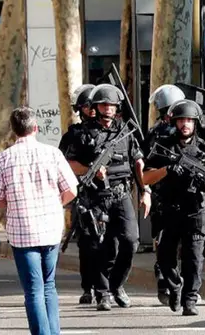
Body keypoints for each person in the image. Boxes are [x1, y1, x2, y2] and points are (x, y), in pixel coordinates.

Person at [62, 84, 151, 311]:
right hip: (94, 197)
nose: (108, 109)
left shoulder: (125, 132)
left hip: (121, 194)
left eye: (111, 105)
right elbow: (68, 164)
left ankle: (117, 285)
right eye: (103, 104)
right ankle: (102, 293)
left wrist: (145, 191)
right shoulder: (81, 134)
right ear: (95, 106)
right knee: (95, 246)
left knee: (131, 240)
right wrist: (90, 168)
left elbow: (138, 163)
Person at [0, 106, 79, 335]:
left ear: (13, 131)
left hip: (22, 231)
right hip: (50, 229)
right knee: (49, 286)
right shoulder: (53, 154)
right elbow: (71, 190)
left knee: (33, 290)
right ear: (36, 128)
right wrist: (55, 205)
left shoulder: (3, 159)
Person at [143, 100, 205, 316]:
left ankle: (190, 300)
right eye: (181, 120)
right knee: (165, 259)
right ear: (175, 122)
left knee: (194, 259)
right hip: (168, 211)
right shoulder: (164, 145)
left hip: (195, 211)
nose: (185, 124)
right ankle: (175, 285)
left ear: (196, 122)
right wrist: (168, 170)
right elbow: (145, 177)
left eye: (189, 120)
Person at [145, 84, 186, 306]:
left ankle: (166, 278)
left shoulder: (155, 131)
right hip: (166, 193)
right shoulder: (164, 133)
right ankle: (167, 278)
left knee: (165, 240)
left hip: (165, 194)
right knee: (170, 241)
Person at [59, 83, 98, 305]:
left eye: (96, 105)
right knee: (87, 244)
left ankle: (111, 285)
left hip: (110, 192)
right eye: (87, 106)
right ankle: (89, 287)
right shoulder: (74, 134)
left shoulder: (114, 131)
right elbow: (63, 163)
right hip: (85, 193)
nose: (92, 110)